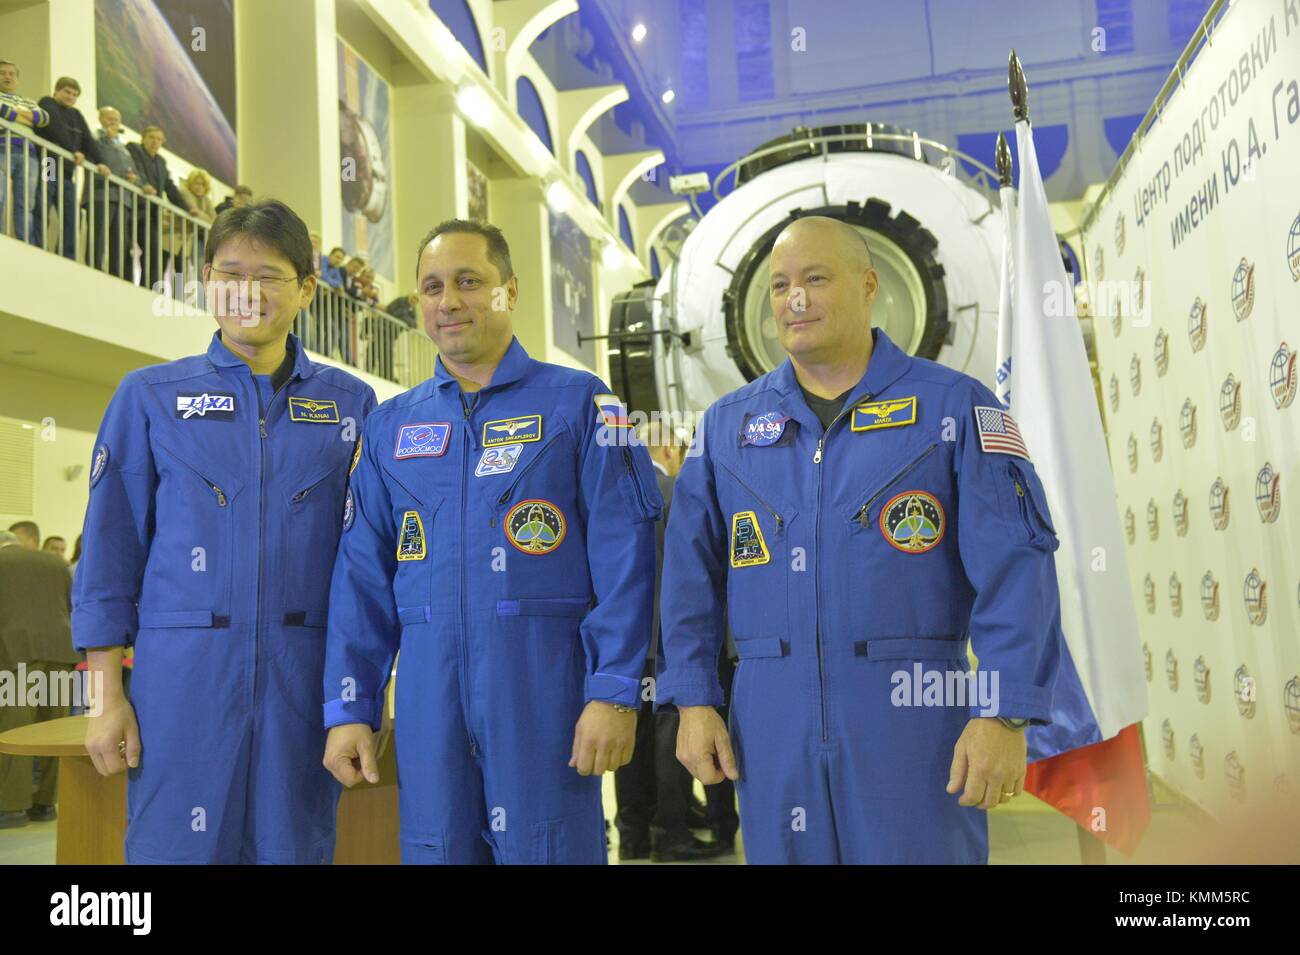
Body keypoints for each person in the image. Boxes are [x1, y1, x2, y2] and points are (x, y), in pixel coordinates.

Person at [658, 216, 1064, 864]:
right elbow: (687, 577)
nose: (796, 299)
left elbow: (1020, 567)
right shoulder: (726, 430)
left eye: (816, 279)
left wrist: (1004, 712)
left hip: (914, 722)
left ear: (869, 284)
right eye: (780, 284)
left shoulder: (956, 409)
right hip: (771, 725)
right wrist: (695, 699)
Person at [322, 218, 662, 864]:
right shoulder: (392, 427)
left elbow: (627, 560)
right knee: (435, 850)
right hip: (429, 703)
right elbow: (361, 578)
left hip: (544, 698)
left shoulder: (582, 405)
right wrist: (349, 704)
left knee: (549, 849)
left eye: (468, 282)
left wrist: (616, 689)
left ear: (509, 290)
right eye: (431, 287)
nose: (448, 301)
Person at [73, 199, 377, 864]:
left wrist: (356, 695)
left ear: (306, 288)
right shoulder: (149, 396)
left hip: (305, 683)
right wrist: (104, 698)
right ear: (207, 279)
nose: (248, 291)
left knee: (295, 848)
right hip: (179, 686)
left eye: (269, 275)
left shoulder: (352, 405)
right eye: (230, 271)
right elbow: (107, 559)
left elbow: (365, 566)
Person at [613, 421, 724, 862]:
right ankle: (671, 832)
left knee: (632, 744)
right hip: (666, 642)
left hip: (626, 648)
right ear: (669, 449)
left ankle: (633, 835)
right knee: (668, 737)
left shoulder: (616, 496)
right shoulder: (676, 494)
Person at [0, 527, 77, 828]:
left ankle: (12, 807)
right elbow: (70, 607)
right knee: (53, 733)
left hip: (16, 655)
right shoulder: (55, 563)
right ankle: (46, 804)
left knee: (15, 732)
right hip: (61, 652)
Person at [36, 76, 109, 260]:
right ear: (57, 91)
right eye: (67, 92)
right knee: (43, 203)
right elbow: (56, 127)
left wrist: (101, 162)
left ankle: (66, 255)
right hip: (49, 163)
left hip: (67, 172)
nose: (70, 97)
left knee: (74, 215)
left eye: (74, 94)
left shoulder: (76, 115)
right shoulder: (47, 102)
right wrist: (73, 150)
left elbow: (88, 141)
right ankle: (37, 245)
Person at [127, 126, 187, 290]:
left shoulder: (161, 161)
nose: (155, 142)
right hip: (133, 208)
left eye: (159, 139)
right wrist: (143, 184)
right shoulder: (134, 149)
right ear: (144, 137)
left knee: (154, 251)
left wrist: (187, 209)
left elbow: (169, 186)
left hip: (152, 214)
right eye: (152, 137)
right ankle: (128, 283)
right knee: (126, 245)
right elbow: (135, 168)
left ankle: (148, 288)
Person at [0, 59, 51, 247]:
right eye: (3, 73)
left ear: (17, 79)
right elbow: (6, 113)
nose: (8, 77)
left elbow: (44, 118)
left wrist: (16, 113)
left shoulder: (27, 100)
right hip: (2, 148)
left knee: (26, 203)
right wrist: (24, 116)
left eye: (12, 74)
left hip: (29, 154)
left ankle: (25, 243)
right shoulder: (26, 105)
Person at [85, 106, 139, 279]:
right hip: (101, 194)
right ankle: (94, 267)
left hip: (122, 198)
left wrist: (131, 176)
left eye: (116, 120)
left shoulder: (123, 148)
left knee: (119, 240)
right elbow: (93, 154)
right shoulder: (94, 137)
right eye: (110, 119)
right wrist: (106, 137)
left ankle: (117, 273)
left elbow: (130, 169)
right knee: (99, 234)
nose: (114, 122)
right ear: (101, 119)